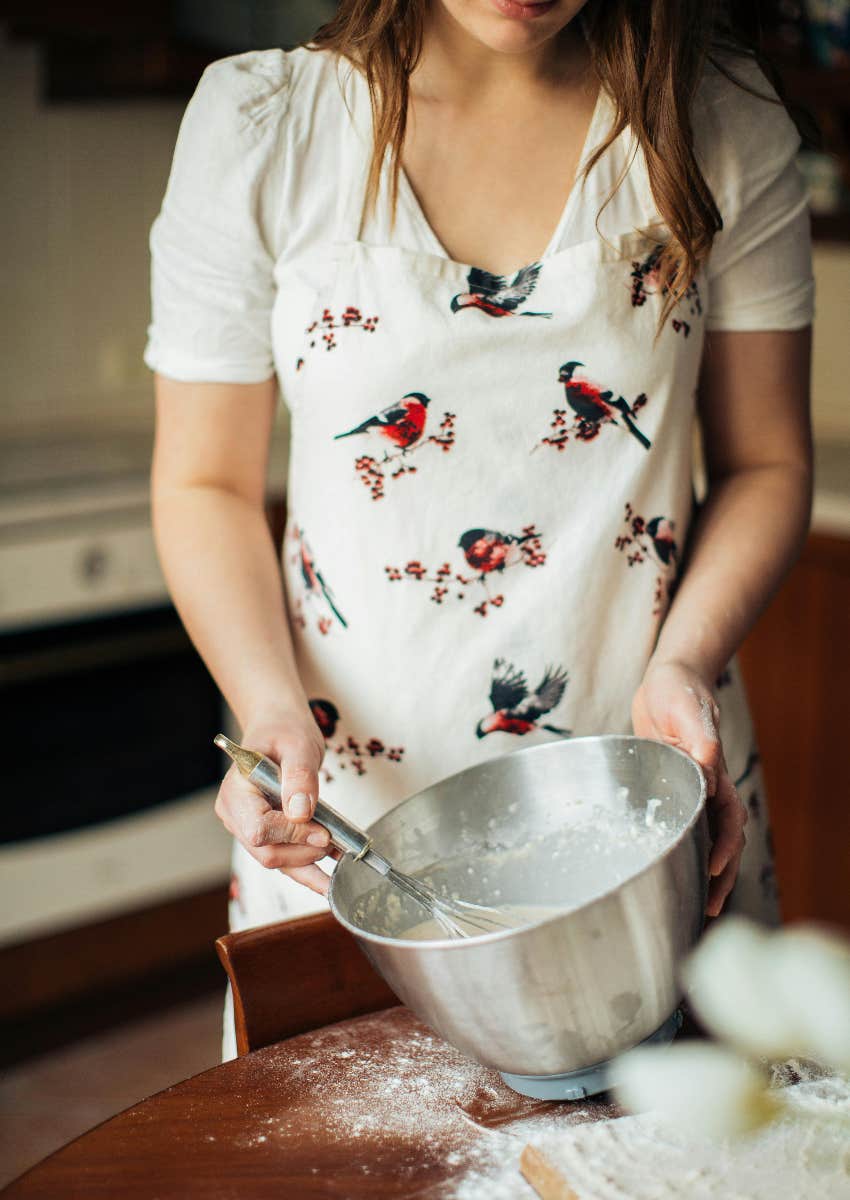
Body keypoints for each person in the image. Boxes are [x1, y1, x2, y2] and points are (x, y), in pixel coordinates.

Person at [144, 0, 814, 1061]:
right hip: (355, 822)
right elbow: (202, 483)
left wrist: (683, 659)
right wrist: (267, 704)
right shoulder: (262, 124)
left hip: (641, 806)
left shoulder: (718, 120)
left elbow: (767, 462)